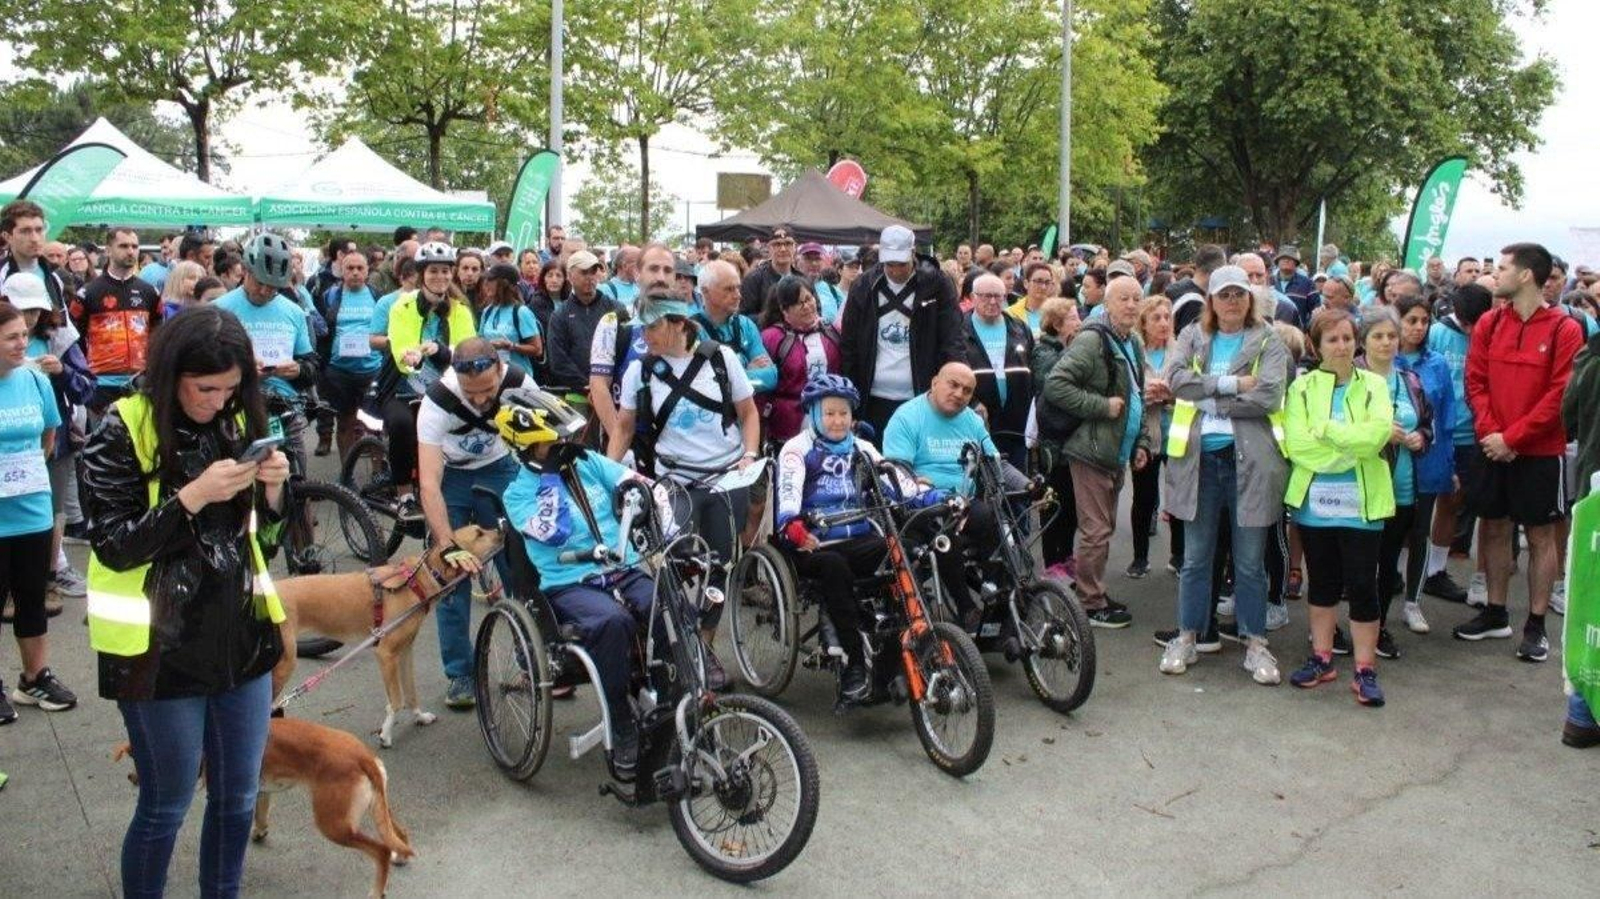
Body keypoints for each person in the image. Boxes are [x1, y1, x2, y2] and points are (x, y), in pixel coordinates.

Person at [80, 306, 291, 896]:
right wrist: (190, 497)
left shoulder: (238, 418)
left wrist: (275, 490)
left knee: (237, 798)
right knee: (165, 804)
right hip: (157, 650)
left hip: (238, 639)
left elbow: (265, 541)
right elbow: (114, 545)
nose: (219, 401)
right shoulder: (122, 426)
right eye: (206, 388)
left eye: (230, 389)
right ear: (172, 373)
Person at [611, 297, 760, 688]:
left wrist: (750, 454)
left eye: (652, 328)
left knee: (719, 565)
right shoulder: (640, 372)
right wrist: (609, 475)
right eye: (641, 329)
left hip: (726, 476)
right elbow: (624, 427)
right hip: (673, 479)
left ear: (678, 324)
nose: (644, 337)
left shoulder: (721, 359)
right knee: (673, 564)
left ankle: (704, 647)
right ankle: (682, 641)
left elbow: (748, 412)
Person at [500, 390, 651, 771]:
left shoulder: (586, 462)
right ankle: (620, 718)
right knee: (612, 622)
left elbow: (632, 481)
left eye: (566, 437)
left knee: (665, 602)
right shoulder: (517, 494)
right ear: (529, 446)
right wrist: (549, 476)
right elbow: (551, 530)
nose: (565, 445)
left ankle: (668, 692)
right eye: (553, 441)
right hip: (570, 581)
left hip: (623, 566)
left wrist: (646, 494)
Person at [1158, 266, 1290, 681]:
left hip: (1248, 462)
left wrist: (1211, 399)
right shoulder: (1192, 335)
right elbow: (1176, 380)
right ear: (1211, 300)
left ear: (1249, 299)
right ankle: (1187, 637)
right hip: (1200, 463)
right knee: (1196, 558)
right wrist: (1236, 385)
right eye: (1224, 294)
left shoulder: (1269, 339)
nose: (1232, 301)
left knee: (1250, 562)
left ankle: (1255, 643)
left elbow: (1270, 394)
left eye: (1239, 294)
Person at [1455, 243, 1584, 661]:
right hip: (1493, 446)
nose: (1497, 274)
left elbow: (1559, 394)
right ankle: (1495, 613)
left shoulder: (1564, 329)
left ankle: (1536, 623)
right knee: (1492, 527)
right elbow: (1475, 383)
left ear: (1527, 275)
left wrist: (1514, 438)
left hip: (1538, 451)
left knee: (1541, 535)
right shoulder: (1490, 323)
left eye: (1505, 267)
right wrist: (1495, 434)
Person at [775, 373, 939, 701]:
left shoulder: (863, 448)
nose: (838, 420)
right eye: (830, 413)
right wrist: (792, 524)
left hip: (860, 537)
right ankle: (852, 661)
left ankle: (898, 650)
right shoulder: (797, 449)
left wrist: (936, 499)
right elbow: (788, 494)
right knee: (836, 568)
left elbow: (899, 486)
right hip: (813, 543)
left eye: (844, 413)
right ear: (814, 414)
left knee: (904, 551)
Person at [416, 338, 536, 709]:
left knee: (518, 568)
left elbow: (543, 445)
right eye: (472, 393)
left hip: (500, 469)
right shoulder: (437, 400)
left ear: (499, 370)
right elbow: (428, 482)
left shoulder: (520, 382)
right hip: (451, 476)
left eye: (487, 390)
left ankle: (529, 659)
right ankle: (460, 674)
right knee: (449, 578)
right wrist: (446, 544)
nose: (481, 399)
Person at [1283, 309, 1396, 706]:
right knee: (1324, 583)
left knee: (1363, 585)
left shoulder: (1375, 386)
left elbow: (1377, 434)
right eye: (1332, 339)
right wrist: (1350, 446)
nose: (1342, 346)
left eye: (1348, 338)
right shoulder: (1300, 389)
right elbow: (1296, 445)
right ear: (1316, 345)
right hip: (1315, 506)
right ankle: (1322, 657)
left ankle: (1365, 669)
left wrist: (1328, 432)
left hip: (1363, 504)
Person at [1041, 276, 1148, 628]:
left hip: (1116, 450)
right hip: (1090, 450)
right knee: (1096, 530)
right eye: (1124, 299)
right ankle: (1089, 603)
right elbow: (1056, 385)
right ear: (1107, 303)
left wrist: (1142, 441)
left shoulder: (1131, 340)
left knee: (1103, 527)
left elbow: (1136, 395)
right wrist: (1101, 406)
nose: (1131, 305)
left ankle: (1095, 592)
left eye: (1136, 298)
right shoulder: (1092, 338)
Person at [882, 363, 1005, 627]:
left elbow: (994, 461)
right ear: (935, 381)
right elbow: (897, 476)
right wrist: (926, 490)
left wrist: (1026, 485)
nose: (959, 394)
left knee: (992, 516)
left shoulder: (971, 420)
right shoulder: (907, 417)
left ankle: (998, 599)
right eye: (953, 385)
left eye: (967, 390)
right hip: (921, 507)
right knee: (943, 529)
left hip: (965, 502)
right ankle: (966, 607)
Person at [0, 300, 73, 724]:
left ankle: (34, 677)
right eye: (11, 337)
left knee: (32, 597)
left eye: (23, 335)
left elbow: (49, 433)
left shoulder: (34, 378)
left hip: (32, 511)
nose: (21, 343)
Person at [372, 241, 477, 522]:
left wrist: (442, 351)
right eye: (433, 271)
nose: (440, 277)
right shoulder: (402, 306)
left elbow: (467, 350)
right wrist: (413, 355)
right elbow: (400, 350)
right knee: (403, 425)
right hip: (402, 387)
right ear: (421, 274)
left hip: (445, 386)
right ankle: (405, 494)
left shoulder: (460, 310)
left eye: (445, 271)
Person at [8, 276, 94, 614]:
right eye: (22, 308)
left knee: (52, 512)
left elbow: (87, 387)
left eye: (35, 309)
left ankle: (45, 578)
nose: (29, 317)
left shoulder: (59, 338)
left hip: (53, 439)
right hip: (11, 444)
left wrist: (61, 371)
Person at [1360, 306, 1437, 659]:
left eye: (1392, 336)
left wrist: (1421, 436)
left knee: (1387, 562)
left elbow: (1426, 423)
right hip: (1360, 486)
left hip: (1402, 485)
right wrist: (1376, 433)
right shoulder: (1351, 379)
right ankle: (1344, 627)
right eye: (1378, 336)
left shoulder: (1410, 380)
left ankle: (1379, 627)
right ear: (1364, 341)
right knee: (1357, 562)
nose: (1387, 342)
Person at [839, 225, 965, 438]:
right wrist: (850, 402)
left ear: (913, 254)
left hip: (921, 395)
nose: (896, 271)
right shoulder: (863, 286)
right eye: (890, 264)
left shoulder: (937, 284)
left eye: (902, 264)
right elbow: (849, 346)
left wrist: (953, 390)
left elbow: (951, 341)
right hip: (873, 398)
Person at [211, 234, 318, 474]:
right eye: (259, 281)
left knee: (297, 479)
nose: (264, 290)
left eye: (273, 287)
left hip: (284, 407)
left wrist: (298, 370)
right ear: (244, 271)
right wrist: (243, 372)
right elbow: (205, 367)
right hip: (238, 406)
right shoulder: (220, 309)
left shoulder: (293, 311)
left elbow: (311, 366)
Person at [1422, 283, 1493, 601]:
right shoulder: (1436, 333)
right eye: (1466, 323)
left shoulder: (1490, 335)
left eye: (1475, 323)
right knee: (1416, 506)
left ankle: (1435, 570)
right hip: (1433, 433)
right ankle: (1400, 570)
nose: (1470, 329)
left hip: (1471, 433)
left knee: (1453, 501)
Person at [75, 228, 160, 413]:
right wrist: (84, 374)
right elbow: (75, 338)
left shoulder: (150, 291)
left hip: (140, 381)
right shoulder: (88, 292)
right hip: (101, 384)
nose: (130, 251)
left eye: (134, 246)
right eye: (123, 246)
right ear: (108, 250)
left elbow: (159, 333)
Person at [1032, 296, 1082, 583]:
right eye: (1074, 317)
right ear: (1058, 323)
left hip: (1071, 442)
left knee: (1072, 505)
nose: (1079, 321)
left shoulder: (1066, 348)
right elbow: (1055, 388)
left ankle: (1066, 556)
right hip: (1053, 443)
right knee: (1054, 502)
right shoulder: (1044, 352)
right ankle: (1053, 562)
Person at [316, 247, 383, 460]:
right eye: (350, 268)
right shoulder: (330, 296)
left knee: (374, 424)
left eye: (359, 268)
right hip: (339, 372)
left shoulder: (377, 297)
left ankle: (378, 474)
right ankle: (346, 474)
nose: (355, 272)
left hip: (372, 370)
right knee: (345, 422)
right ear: (342, 271)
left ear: (367, 271)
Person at [964, 273, 1034, 469]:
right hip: (978, 421)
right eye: (986, 296)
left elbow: (1033, 369)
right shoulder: (959, 330)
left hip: (1016, 423)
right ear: (972, 297)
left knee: (1018, 482)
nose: (993, 301)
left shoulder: (1019, 328)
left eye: (999, 296)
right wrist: (972, 402)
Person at [761, 274, 842, 443]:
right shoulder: (772, 338)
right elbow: (762, 389)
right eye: (799, 303)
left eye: (809, 299)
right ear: (785, 310)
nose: (807, 306)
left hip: (830, 424)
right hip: (787, 428)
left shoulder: (831, 333)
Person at [1130, 295, 1176, 578]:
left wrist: (1171, 395)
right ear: (1144, 323)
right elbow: (1126, 388)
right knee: (1143, 498)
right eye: (1156, 318)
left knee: (1180, 499)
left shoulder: (1182, 350)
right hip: (1146, 434)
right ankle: (1139, 557)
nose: (1163, 323)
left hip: (1178, 436)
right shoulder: (1135, 352)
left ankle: (1179, 556)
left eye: (1167, 317)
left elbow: (1194, 389)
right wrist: (1145, 395)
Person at [546, 250, 623, 395]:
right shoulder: (560, 315)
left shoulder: (616, 309)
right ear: (569, 276)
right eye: (584, 272)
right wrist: (588, 386)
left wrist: (605, 387)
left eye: (593, 272)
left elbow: (625, 350)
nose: (589, 277)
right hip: (577, 395)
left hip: (614, 392)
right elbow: (558, 361)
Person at [474, 263, 543, 376]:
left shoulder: (521, 311)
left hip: (517, 376)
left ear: (504, 284)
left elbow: (537, 349)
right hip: (492, 375)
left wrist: (510, 345)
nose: (486, 284)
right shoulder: (487, 311)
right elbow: (481, 339)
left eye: (491, 280)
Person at [739, 227, 799, 316]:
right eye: (777, 244)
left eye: (788, 243)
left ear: (795, 247)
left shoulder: (803, 279)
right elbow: (744, 317)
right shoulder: (753, 279)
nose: (783, 249)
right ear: (769, 248)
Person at [797, 242, 844, 321]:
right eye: (808, 259)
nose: (814, 263)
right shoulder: (793, 289)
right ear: (798, 263)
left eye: (817, 259)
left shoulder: (833, 290)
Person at [1008, 262, 1056, 335]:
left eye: (1047, 282)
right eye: (1038, 281)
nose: (1043, 287)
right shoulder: (1010, 314)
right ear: (1026, 284)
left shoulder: (1057, 313)